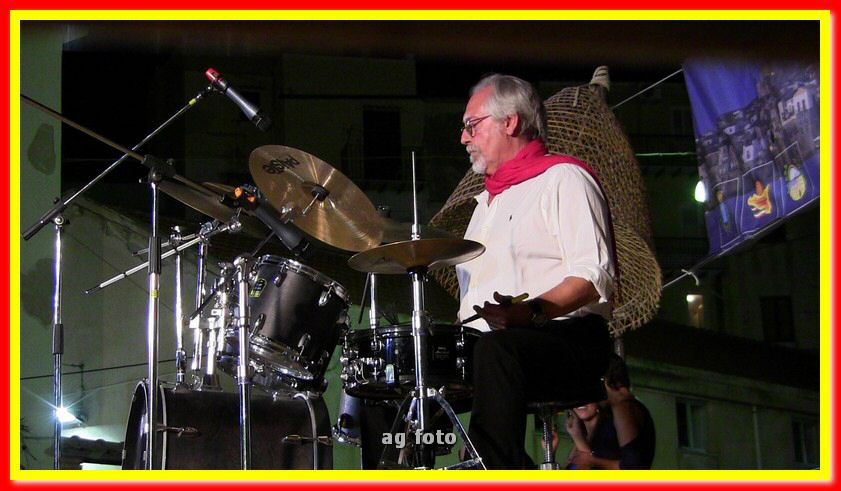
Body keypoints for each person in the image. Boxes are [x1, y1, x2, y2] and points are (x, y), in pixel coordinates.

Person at [455, 74, 617, 470]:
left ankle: (492, 470)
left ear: (510, 122)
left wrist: (532, 312)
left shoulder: (564, 178)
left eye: (471, 125)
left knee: (497, 351)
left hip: (566, 339)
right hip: (494, 348)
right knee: (394, 372)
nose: (463, 138)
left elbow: (592, 277)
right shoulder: (483, 206)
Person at [564, 354, 656, 470]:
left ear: (603, 380)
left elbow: (632, 468)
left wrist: (593, 461)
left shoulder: (624, 407)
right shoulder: (616, 411)